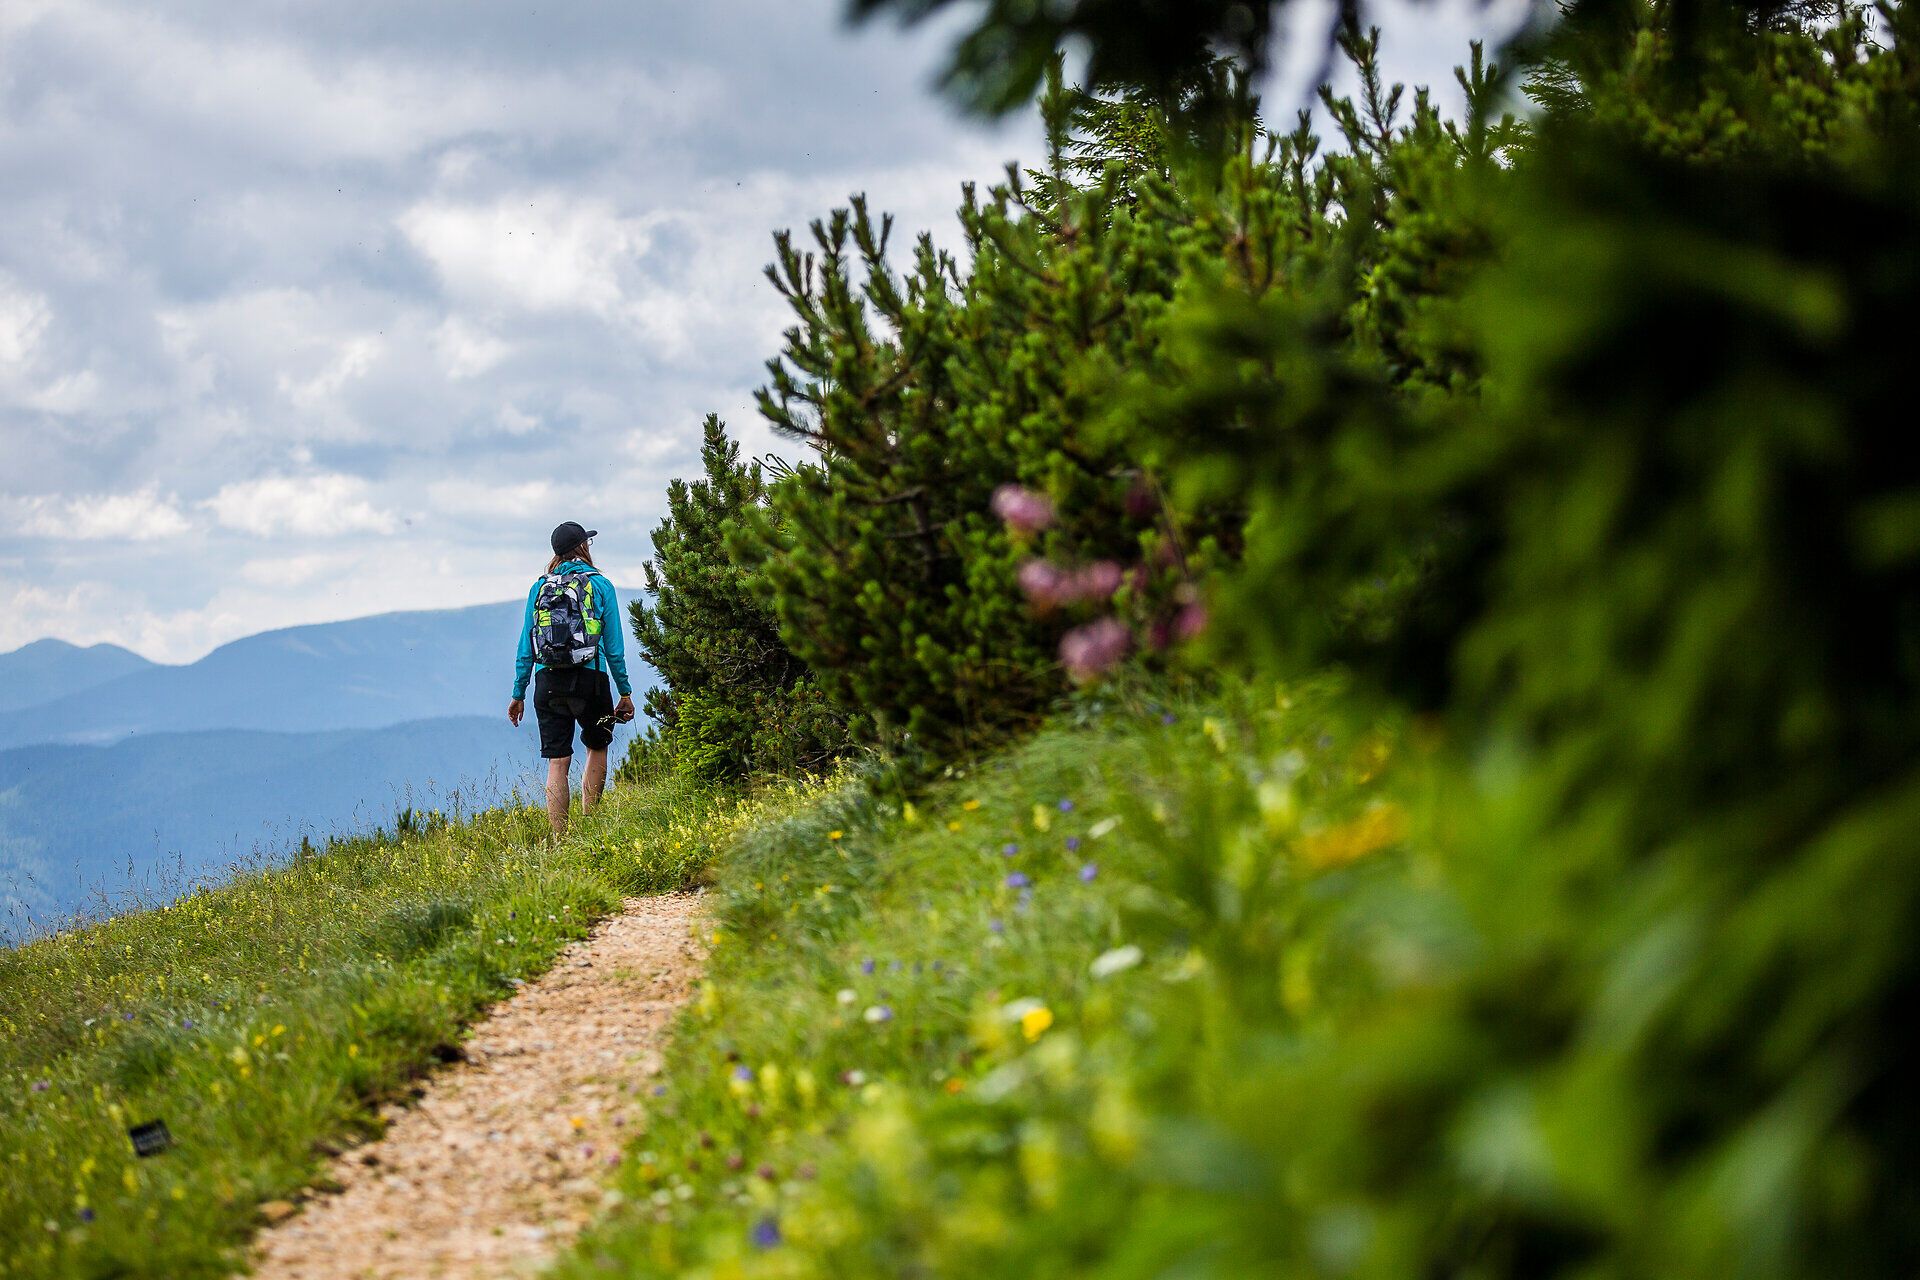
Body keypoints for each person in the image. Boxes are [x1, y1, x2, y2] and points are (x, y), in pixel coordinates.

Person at [508, 521, 635, 839]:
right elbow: (614, 647)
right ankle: (591, 827)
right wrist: (624, 691)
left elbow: (526, 644)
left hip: (547, 681)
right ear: (582, 547)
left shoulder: (539, 587)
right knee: (597, 746)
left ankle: (560, 839)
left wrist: (518, 692)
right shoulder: (600, 585)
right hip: (590, 679)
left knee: (557, 761)